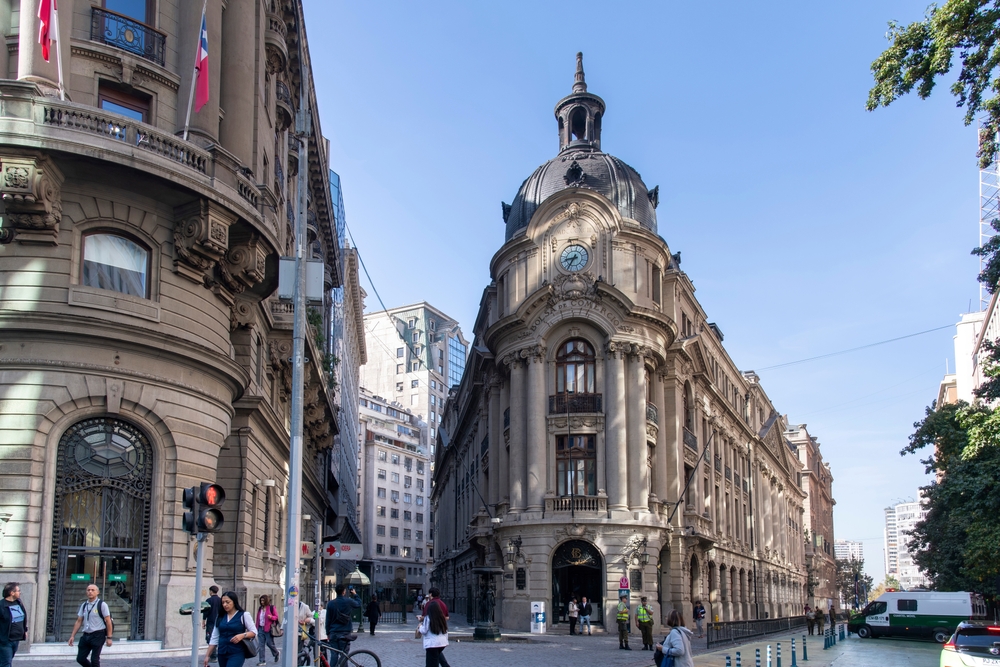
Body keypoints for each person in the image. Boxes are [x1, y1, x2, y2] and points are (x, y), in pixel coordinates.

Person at [204, 591, 256, 667]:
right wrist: (207, 656)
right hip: (222, 652)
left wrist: (242, 635)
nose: (225, 605)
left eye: (227, 602)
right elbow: (214, 638)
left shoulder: (244, 615)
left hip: (237, 652)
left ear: (234, 602)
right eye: (223, 602)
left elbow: (254, 632)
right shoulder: (220, 617)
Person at [67, 584, 113, 667]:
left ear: (97, 592)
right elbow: (79, 621)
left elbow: (108, 621)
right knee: (80, 658)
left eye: (92, 590)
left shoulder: (102, 605)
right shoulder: (84, 605)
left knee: (94, 659)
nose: (90, 592)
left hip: (98, 635)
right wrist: (72, 636)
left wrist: (109, 637)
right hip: (86, 635)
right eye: (88, 590)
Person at [324, 584, 361, 658]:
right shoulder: (349, 601)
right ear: (344, 592)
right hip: (345, 632)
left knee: (334, 656)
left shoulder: (330, 603)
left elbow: (328, 620)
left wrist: (328, 633)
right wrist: (355, 594)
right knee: (344, 656)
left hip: (333, 632)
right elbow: (358, 604)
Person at [418, 593, 449, 667]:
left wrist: (420, 627)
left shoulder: (428, 618)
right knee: (435, 659)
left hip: (432, 643)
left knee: (431, 663)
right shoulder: (442, 618)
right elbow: (446, 630)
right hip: (442, 642)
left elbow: (424, 630)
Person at [0, 582, 27, 667]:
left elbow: (23, 617)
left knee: (6, 661)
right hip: (5, 640)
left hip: (16, 639)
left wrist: (25, 630)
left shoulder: (18, 603)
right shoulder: (1, 605)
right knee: (6, 663)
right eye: (18, 591)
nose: (20, 592)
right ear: (12, 593)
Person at [254, 594, 279, 666]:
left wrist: (271, 617)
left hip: (268, 629)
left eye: (263, 600)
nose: (262, 602)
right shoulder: (260, 608)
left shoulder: (271, 607)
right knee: (261, 645)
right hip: (260, 628)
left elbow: (276, 617)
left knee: (269, 643)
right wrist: (256, 628)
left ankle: (276, 653)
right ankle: (262, 661)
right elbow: (257, 619)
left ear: (266, 601)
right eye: (261, 600)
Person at [203, 586, 222, 662]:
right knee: (218, 638)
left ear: (211, 591)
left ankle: (213, 656)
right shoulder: (220, 600)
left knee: (210, 638)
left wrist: (203, 621)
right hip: (219, 622)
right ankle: (217, 655)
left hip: (211, 622)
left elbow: (206, 611)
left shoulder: (209, 600)